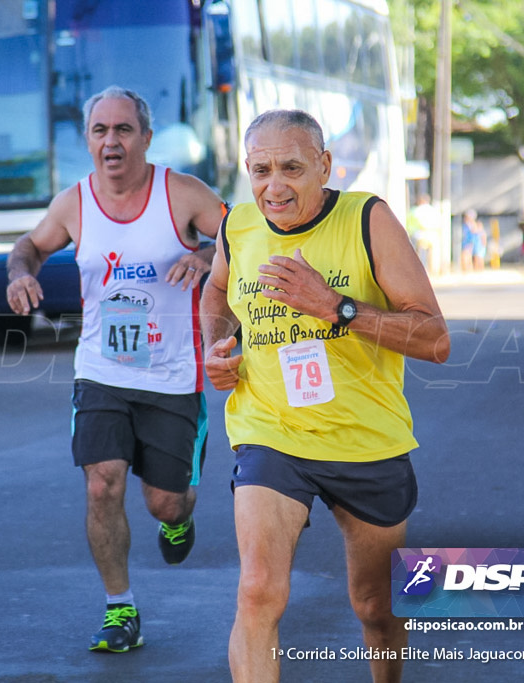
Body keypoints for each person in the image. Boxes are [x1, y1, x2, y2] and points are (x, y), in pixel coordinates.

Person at [200, 109, 450, 683]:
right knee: (258, 590)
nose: (274, 185)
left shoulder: (367, 218)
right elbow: (216, 294)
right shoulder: (236, 227)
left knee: (375, 607)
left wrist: (333, 306)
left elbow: (435, 339)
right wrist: (221, 345)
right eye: (261, 170)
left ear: (324, 166)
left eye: (291, 167)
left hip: (366, 441)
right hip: (270, 433)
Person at [5, 86, 226, 653]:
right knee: (102, 481)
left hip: (174, 375)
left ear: (145, 138)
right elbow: (28, 246)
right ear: (88, 139)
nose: (111, 142)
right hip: (101, 368)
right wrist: (19, 274)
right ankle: (119, 609)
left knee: (163, 501)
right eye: (100, 131)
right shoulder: (73, 203)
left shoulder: (179, 193)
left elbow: (241, 234)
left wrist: (203, 258)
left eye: (123, 130)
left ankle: (179, 518)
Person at [406, 193, 438, 270]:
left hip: (420, 234)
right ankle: (431, 269)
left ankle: (420, 269)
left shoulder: (417, 210)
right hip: (432, 234)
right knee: (431, 253)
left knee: (418, 252)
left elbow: (416, 223)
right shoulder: (433, 209)